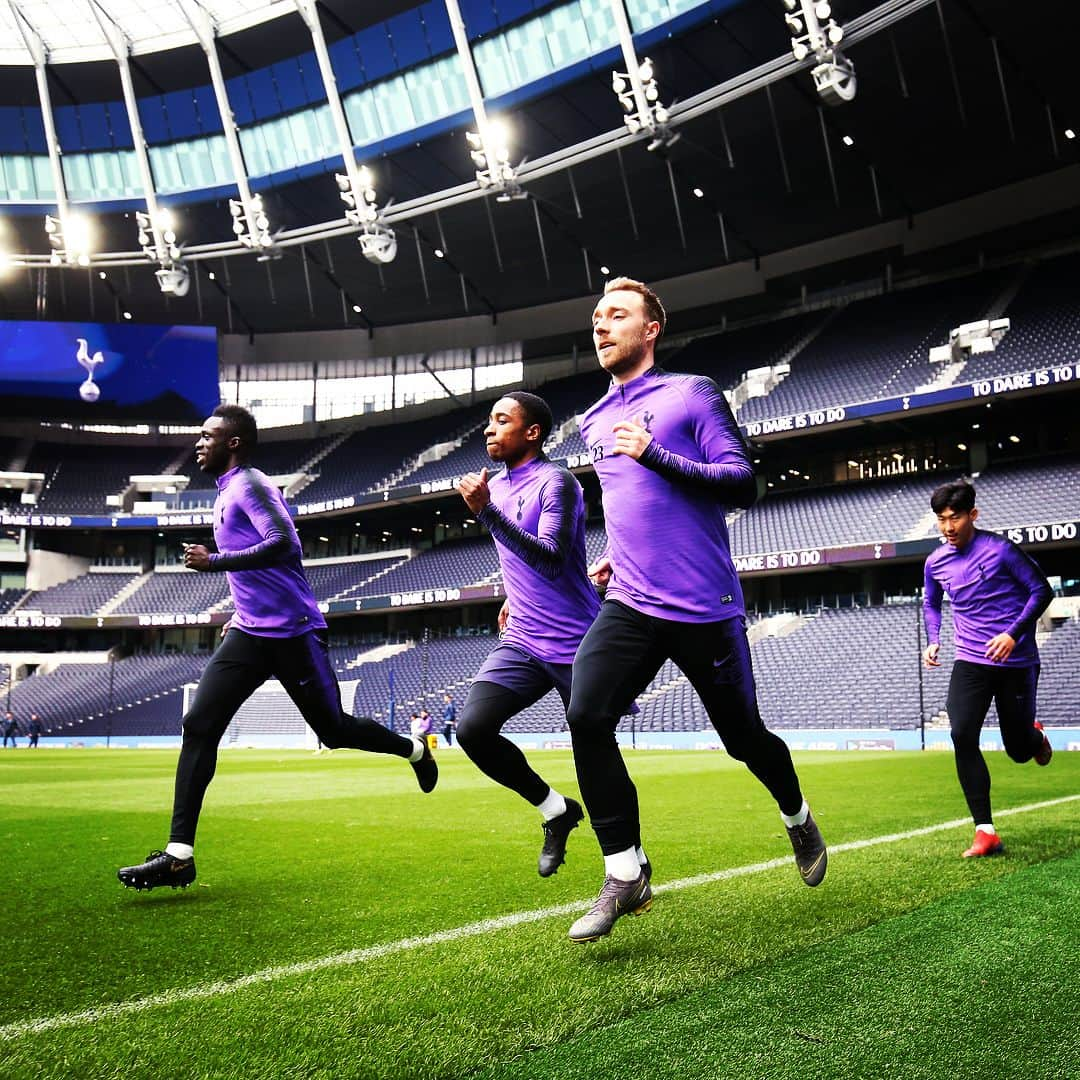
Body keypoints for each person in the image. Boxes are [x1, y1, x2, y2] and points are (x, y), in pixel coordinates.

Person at [565, 277, 827, 943]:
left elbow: (744, 483)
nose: (602, 326)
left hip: (704, 606)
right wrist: (613, 555)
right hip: (630, 600)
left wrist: (655, 452)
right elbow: (630, 505)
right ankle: (626, 870)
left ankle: (796, 815)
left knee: (745, 739)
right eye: (597, 317)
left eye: (617, 315)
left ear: (651, 329)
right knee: (586, 712)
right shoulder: (593, 420)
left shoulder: (691, 393)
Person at [117, 404, 437, 892]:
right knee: (198, 724)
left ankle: (413, 750)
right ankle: (179, 855)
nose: (199, 443)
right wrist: (234, 613)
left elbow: (285, 544)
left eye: (208, 436)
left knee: (333, 731)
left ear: (235, 443)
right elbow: (257, 575)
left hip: (294, 634)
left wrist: (215, 561)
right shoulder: (225, 492)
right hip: (249, 632)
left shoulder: (252, 485)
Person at [455, 391, 600, 878]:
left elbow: (552, 558)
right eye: (488, 421)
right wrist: (512, 595)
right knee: (472, 730)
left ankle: (628, 861)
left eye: (502, 420)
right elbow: (519, 561)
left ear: (532, 432)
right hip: (522, 638)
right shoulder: (495, 485)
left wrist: (486, 513)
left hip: (576, 640)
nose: (489, 429)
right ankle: (556, 810)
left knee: (595, 752)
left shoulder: (556, 482)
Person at [923, 480, 1054, 858]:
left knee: (1017, 749)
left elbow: (1041, 591)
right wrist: (934, 638)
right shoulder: (935, 561)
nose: (948, 527)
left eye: (956, 518)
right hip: (971, 660)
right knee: (962, 734)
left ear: (973, 515)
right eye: (941, 519)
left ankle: (1033, 737)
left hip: (1016, 661)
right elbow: (932, 603)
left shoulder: (1000, 551)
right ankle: (985, 830)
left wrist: (1013, 634)